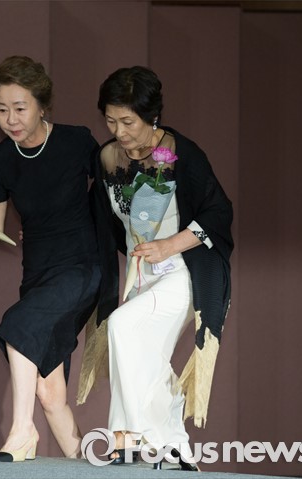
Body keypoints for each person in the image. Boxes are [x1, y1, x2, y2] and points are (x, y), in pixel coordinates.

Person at [0, 55, 101, 461]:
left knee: (18, 327)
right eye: (2, 110)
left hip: (80, 266)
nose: (11, 119)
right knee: (49, 392)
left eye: (20, 108)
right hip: (37, 274)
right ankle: (88, 467)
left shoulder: (76, 141)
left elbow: (112, 195)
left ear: (42, 106)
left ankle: (20, 431)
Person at [76, 66, 233, 471]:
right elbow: (99, 222)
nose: (119, 131)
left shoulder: (183, 153)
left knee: (123, 327)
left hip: (183, 272)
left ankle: (145, 439)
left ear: (152, 116)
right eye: (111, 121)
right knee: (138, 353)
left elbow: (218, 214)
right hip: (138, 275)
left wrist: (167, 245)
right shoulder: (107, 157)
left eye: (128, 121)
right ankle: (157, 445)